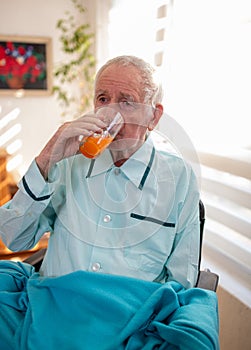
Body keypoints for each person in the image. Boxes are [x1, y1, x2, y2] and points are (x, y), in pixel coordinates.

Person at [0, 55, 200, 288]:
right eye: (103, 99)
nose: (111, 113)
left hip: (128, 316)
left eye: (127, 102)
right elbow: (13, 237)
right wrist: (47, 158)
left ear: (153, 116)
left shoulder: (179, 178)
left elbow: (182, 278)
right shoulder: (68, 163)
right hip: (55, 305)